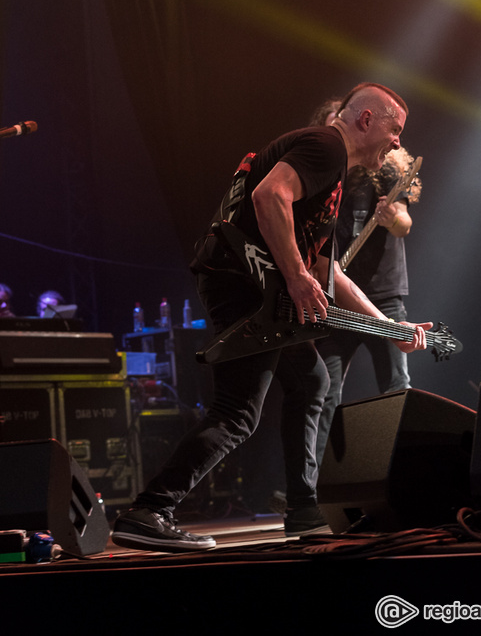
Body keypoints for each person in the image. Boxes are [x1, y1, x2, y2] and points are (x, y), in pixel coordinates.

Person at [111, 82, 432, 553]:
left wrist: (390, 329)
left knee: (312, 381)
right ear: (365, 120)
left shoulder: (332, 171)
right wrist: (298, 276)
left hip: (253, 288)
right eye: (395, 129)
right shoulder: (325, 145)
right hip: (244, 288)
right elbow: (269, 197)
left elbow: (328, 268)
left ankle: (303, 510)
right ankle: (149, 509)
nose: (398, 142)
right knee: (239, 413)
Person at [308, 98, 422, 469]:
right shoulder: (324, 177)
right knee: (322, 391)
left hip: (383, 297)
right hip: (337, 302)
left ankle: (404, 472)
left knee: (396, 388)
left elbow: (404, 222)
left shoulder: (384, 171)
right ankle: (314, 485)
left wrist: (391, 218)